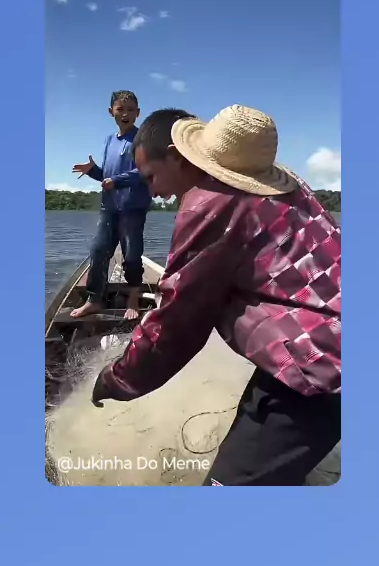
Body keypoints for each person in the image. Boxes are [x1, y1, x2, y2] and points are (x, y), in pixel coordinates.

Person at [91, 105, 341, 486]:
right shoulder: (293, 188)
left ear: (177, 156)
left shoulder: (210, 202)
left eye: (151, 176)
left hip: (318, 366)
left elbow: (176, 325)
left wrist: (115, 378)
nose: (152, 190)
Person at [71, 90, 152, 321]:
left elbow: (144, 171)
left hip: (132, 208)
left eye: (130, 110)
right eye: (120, 109)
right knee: (98, 251)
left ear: (138, 113)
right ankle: (94, 299)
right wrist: (93, 171)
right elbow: (107, 176)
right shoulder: (108, 140)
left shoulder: (142, 139)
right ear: (111, 112)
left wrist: (116, 180)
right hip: (109, 207)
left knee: (132, 256)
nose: (125, 114)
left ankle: (133, 298)